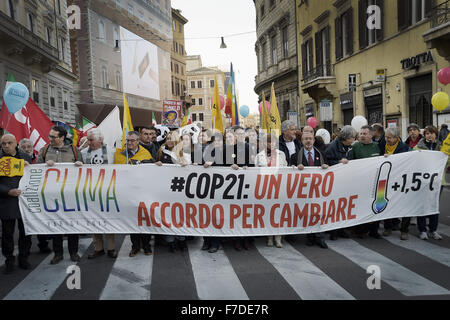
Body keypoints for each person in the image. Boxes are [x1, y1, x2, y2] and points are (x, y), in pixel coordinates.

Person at [37, 126, 83, 264]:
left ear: (62, 137)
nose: (50, 139)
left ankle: (73, 252)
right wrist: (45, 165)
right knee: (56, 223)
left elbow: (83, 169)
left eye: (53, 137)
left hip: (70, 193)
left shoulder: (74, 150)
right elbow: (37, 168)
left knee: (72, 224)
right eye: (49, 136)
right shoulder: (44, 150)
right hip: (52, 194)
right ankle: (58, 253)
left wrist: (80, 164)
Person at [115, 131, 154, 256]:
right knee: (132, 220)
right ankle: (135, 246)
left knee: (145, 219)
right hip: (127, 193)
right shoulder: (119, 154)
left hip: (142, 192)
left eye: (132, 140)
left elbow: (152, 171)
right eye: (127, 140)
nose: (129, 143)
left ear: (138, 141)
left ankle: (146, 245)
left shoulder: (145, 153)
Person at [82, 129, 118, 259]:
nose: (88, 142)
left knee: (108, 220)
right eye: (88, 139)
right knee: (94, 219)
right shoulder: (83, 153)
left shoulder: (112, 151)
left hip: (107, 190)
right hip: (90, 191)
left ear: (100, 140)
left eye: (91, 140)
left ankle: (111, 248)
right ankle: (98, 248)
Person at [290, 132, 329, 249]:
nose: (308, 141)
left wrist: (326, 167)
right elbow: (289, 173)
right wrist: (295, 168)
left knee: (319, 213)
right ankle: (309, 236)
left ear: (313, 140)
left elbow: (330, 167)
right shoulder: (295, 156)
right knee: (307, 213)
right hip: (303, 190)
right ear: (301, 141)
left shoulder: (321, 154)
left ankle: (319, 237)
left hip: (318, 189)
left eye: (310, 139)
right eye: (305, 139)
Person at [1, 134, 32, 274]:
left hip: (24, 201)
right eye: (3, 143)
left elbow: (33, 176)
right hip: (6, 201)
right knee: (7, 234)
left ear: (16, 143)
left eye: (9, 143)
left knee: (25, 232)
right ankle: (9, 260)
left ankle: (23, 258)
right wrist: (8, 191)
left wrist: (30, 167)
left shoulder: (25, 157)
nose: (6, 146)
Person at [155, 131, 189, 252]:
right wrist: (157, 164)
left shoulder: (183, 151)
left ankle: (182, 239)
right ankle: (171, 241)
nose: (169, 140)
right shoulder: (161, 151)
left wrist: (187, 165)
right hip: (165, 188)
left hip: (180, 188)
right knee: (168, 215)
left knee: (180, 215)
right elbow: (155, 165)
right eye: (167, 138)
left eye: (172, 138)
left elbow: (190, 167)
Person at [348, 125, 383, 239]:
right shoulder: (355, 147)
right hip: (361, 183)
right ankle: (360, 230)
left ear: (371, 135)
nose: (362, 136)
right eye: (361, 133)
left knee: (375, 207)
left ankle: (374, 230)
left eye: (365, 134)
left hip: (375, 183)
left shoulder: (377, 147)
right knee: (362, 206)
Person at [255, 133, 287, 248]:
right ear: (264, 143)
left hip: (278, 187)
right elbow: (255, 172)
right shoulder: (259, 156)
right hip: (265, 187)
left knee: (278, 212)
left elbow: (286, 170)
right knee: (268, 213)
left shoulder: (281, 154)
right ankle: (269, 237)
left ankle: (278, 238)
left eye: (272, 141)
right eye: (268, 142)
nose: (270, 144)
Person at [414, 125, 445, 240]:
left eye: (431, 133)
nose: (429, 135)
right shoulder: (418, 147)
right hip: (423, 180)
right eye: (427, 133)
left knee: (434, 205)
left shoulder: (442, 147)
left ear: (436, 134)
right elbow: (413, 159)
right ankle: (422, 230)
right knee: (422, 205)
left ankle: (433, 230)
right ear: (424, 135)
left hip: (437, 181)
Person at [381, 127, 410, 239]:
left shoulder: (404, 148)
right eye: (386, 137)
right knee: (387, 204)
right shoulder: (382, 145)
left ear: (396, 138)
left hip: (402, 180)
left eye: (389, 137)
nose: (386, 139)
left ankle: (404, 230)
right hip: (387, 179)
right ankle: (388, 227)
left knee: (405, 205)